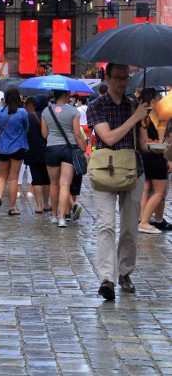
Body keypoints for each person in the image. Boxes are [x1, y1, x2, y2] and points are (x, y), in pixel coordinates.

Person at [86, 63, 149, 301]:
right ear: (107, 78)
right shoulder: (96, 106)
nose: (123, 83)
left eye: (126, 78)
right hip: (105, 170)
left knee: (130, 227)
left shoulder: (136, 104)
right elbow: (109, 138)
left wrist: (161, 148)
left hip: (134, 170)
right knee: (106, 226)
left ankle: (124, 273)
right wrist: (134, 118)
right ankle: (107, 279)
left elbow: (142, 144)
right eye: (118, 78)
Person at [41, 90, 87, 228]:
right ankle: (62, 218)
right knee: (65, 184)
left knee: (53, 184)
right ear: (65, 95)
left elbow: (44, 134)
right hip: (68, 149)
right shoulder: (74, 111)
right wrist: (84, 147)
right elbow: (77, 133)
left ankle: (54, 215)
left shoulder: (46, 111)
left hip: (52, 148)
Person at [136, 88, 170, 234]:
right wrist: (168, 158)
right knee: (160, 192)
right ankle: (144, 222)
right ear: (154, 100)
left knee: (145, 190)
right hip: (157, 154)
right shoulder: (159, 114)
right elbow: (162, 139)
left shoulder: (141, 114)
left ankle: (141, 219)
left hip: (144, 154)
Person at [0, 87, 29, 215]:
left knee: (2, 176)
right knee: (14, 178)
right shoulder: (22, 112)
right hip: (18, 147)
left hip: (2, 146)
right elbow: (26, 128)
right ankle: (12, 207)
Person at [25, 96, 51, 214]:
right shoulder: (50, 116)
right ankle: (46, 204)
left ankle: (39, 206)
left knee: (36, 179)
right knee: (47, 179)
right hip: (48, 150)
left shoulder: (29, 117)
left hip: (33, 151)